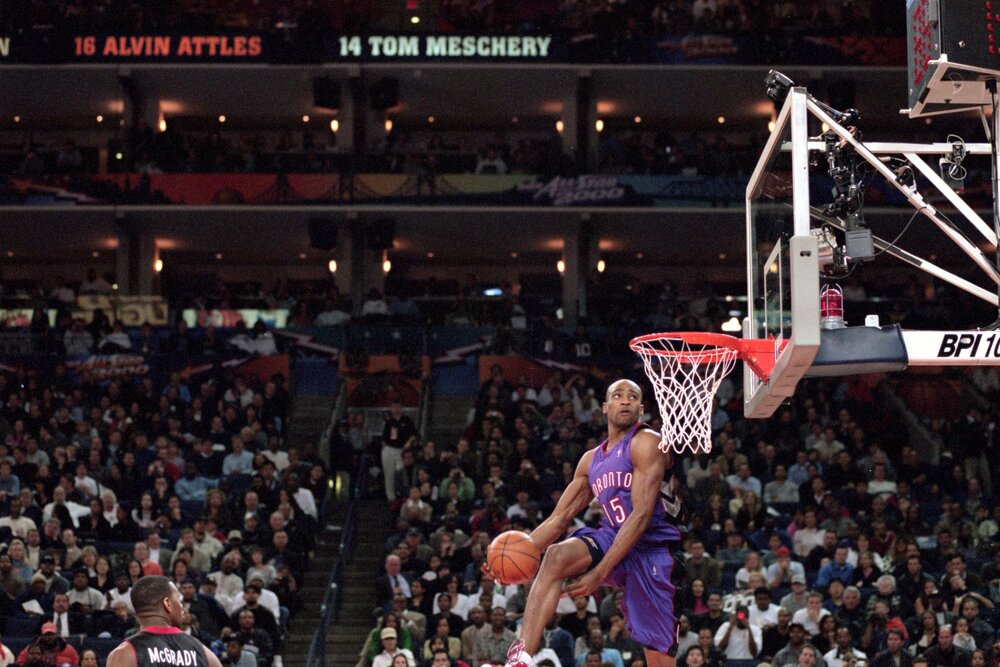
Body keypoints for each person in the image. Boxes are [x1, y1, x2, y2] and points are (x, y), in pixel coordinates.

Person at [494, 380, 685, 667]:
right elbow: (559, 519)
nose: (625, 401)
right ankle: (521, 658)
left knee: (659, 661)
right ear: (605, 408)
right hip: (612, 536)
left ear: (641, 410)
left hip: (654, 550)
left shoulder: (646, 442)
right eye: (617, 396)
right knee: (555, 556)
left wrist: (599, 574)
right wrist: (510, 561)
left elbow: (641, 515)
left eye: (633, 397)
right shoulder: (590, 460)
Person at [105, 575, 224, 667]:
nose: (182, 605)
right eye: (178, 598)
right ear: (167, 603)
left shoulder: (124, 654)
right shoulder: (202, 651)